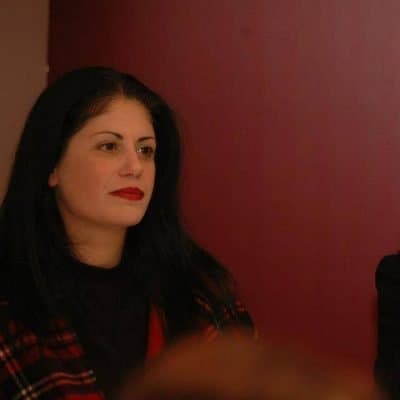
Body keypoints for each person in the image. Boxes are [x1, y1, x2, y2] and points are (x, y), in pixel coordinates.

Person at [0, 66, 254, 399]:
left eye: (146, 150)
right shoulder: (10, 306)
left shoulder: (201, 296)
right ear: (52, 166)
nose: (135, 167)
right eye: (109, 146)